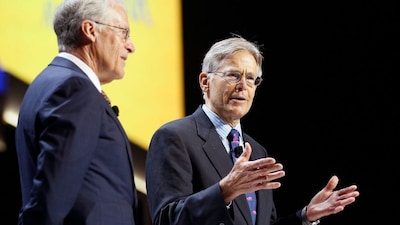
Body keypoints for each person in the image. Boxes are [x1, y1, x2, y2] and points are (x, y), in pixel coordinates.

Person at [145, 35, 360, 225]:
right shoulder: (175, 137)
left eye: (251, 79)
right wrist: (224, 192)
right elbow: (167, 219)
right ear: (205, 81)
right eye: (233, 75)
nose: (243, 86)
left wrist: (304, 217)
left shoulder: (256, 151)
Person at [15, 0, 138, 224]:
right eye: (123, 33)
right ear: (90, 30)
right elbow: (51, 197)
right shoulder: (74, 89)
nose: (130, 46)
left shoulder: (50, 82)